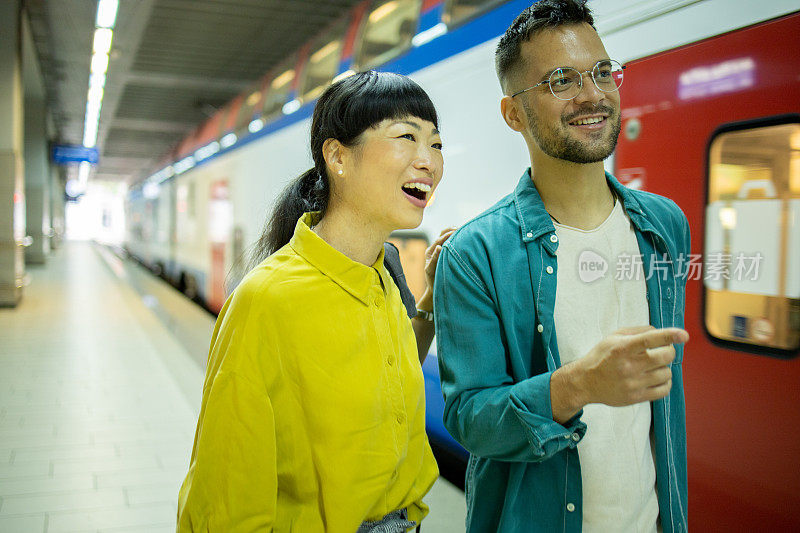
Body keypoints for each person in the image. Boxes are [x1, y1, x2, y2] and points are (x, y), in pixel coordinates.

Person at [433, 1, 691, 532]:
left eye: (601, 72)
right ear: (513, 114)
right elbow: (469, 419)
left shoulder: (665, 226)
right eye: (560, 80)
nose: (593, 94)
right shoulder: (475, 252)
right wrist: (577, 385)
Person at [177, 70, 450, 532]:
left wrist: (429, 302)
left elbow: (386, 379)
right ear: (338, 156)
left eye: (437, 144)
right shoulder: (267, 301)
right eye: (407, 136)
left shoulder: (383, 278)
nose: (428, 160)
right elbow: (225, 496)